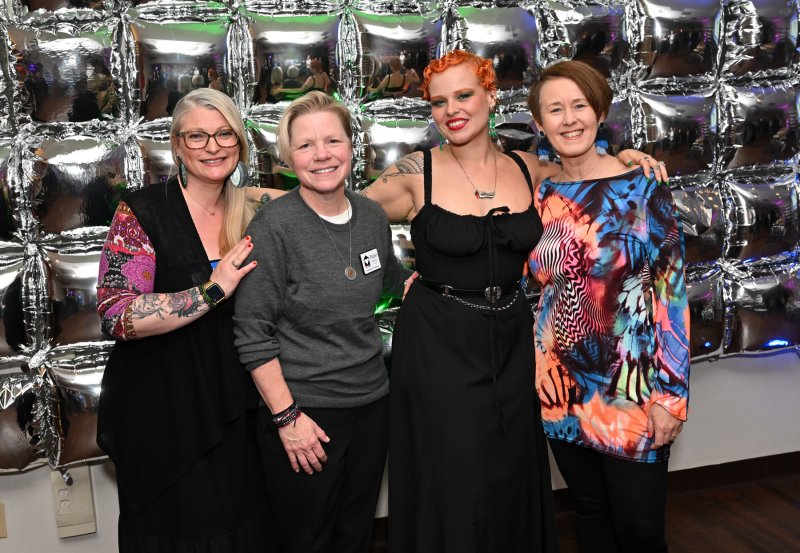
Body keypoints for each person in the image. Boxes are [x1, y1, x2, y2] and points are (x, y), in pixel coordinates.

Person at [360, 49, 667, 553]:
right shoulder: (417, 173)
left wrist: (628, 156)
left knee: (511, 475)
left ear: (490, 96)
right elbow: (343, 215)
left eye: (463, 95)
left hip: (516, 349)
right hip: (439, 348)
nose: (452, 109)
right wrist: (396, 279)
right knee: (453, 481)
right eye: (439, 101)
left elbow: (584, 166)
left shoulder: (530, 171)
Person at [96, 88, 273, 552]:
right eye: (198, 136)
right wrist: (214, 290)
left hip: (238, 409)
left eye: (224, 135)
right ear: (177, 144)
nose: (212, 146)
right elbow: (117, 313)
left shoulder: (254, 211)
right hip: (164, 415)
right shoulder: (141, 211)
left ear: (240, 143)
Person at [233, 90, 409, 553]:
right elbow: (252, 334)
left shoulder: (372, 216)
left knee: (355, 536)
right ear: (289, 156)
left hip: (372, 407)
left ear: (353, 146)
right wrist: (288, 418)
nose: (322, 155)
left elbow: (394, 283)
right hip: (306, 414)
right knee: (307, 541)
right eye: (306, 145)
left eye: (332, 140)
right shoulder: (273, 227)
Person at [526, 60, 690, 553]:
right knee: (591, 517)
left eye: (580, 105)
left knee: (639, 529)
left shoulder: (642, 185)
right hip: (558, 386)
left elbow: (672, 293)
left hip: (631, 389)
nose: (569, 119)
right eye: (555, 109)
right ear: (539, 123)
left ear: (600, 112)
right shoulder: (541, 194)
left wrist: (673, 396)